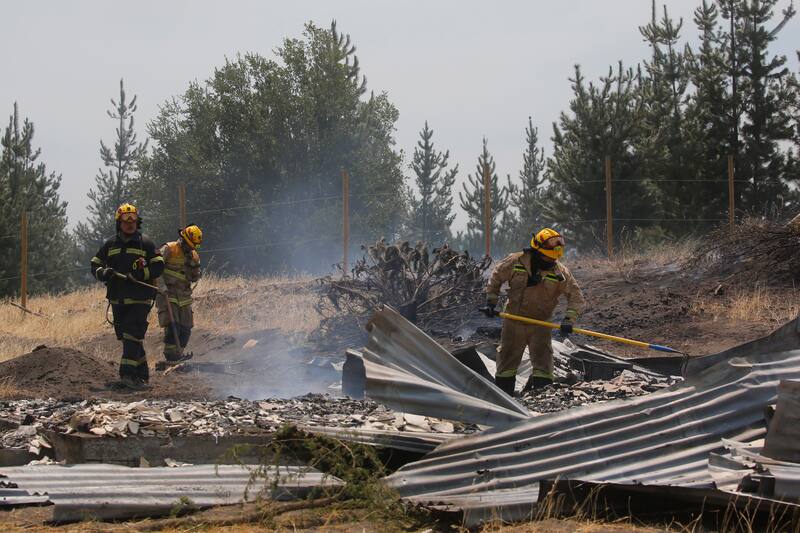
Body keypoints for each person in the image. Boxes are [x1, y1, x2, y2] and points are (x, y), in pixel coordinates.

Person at [485, 228, 585, 396]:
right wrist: (491, 301)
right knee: (507, 362)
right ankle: (504, 398)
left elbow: (576, 297)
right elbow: (496, 276)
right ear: (537, 251)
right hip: (514, 320)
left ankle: (542, 399)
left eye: (553, 258)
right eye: (547, 257)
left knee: (543, 363)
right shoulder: (516, 261)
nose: (550, 261)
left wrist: (569, 320)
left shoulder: (560, 273)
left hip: (541, 324)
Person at [90, 203, 164, 390]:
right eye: (125, 221)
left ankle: (127, 376)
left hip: (140, 299)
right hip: (118, 300)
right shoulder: (110, 244)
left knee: (132, 334)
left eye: (133, 221)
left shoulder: (145, 243)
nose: (130, 224)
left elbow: (158, 266)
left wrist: (140, 274)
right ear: (119, 223)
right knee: (128, 338)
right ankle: (142, 376)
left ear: (137, 222)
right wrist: (104, 273)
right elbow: (94, 265)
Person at [156, 224, 202, 361]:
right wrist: (161, 286)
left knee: (186, 328)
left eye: (194, 246)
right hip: (168, 294)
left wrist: (196, 273)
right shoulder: (169, 249)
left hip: (184, 296)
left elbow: (194, 276)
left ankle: (179, 354)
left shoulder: (194, 255)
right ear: (182, 239)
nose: (191, 248)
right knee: (172, 326)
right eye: (189, 245)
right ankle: (171, 357)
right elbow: (155, 270)